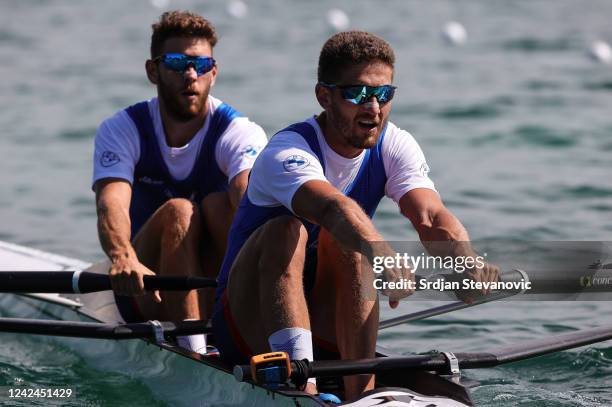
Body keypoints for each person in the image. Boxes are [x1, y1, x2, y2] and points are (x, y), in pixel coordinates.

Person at [212, 31, 498, 399]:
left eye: (384, 95)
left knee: (351, 242)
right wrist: (384, 257)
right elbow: (333, 208)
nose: (373, 108)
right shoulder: (285, 151)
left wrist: (465, 261)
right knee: (292, 230)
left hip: (325, 322)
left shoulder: (394, 144)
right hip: (246, 325)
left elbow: (430, 217)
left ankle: (361, 393)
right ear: (324, 96)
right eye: (359, 94)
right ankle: (304, 387)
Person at [92, 11, 267, 353]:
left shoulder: (238, 132)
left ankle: (255, 332)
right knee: (178, 211)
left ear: (213, 73)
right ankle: (194, 351)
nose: (191, 75)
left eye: (201, 65)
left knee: (222, 206)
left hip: (214, 282)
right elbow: (111, 201)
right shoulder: (123, 129)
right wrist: (121, 254)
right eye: (176, 63)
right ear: (152, 70)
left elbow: (250, 197)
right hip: (145, 284)